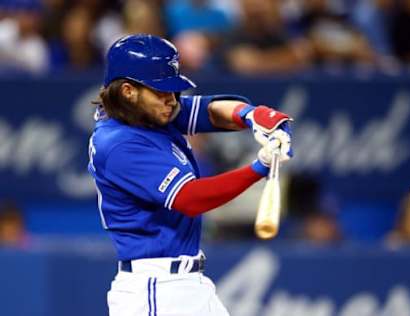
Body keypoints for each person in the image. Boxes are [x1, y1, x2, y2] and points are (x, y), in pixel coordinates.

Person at [87, 34, 292, 316]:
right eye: (160, 91)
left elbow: (210, 111)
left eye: (173, 91)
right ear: (127, 91)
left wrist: (253, 116)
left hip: (187, 284)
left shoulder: (146, 113)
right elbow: (190, 198)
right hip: (156, 290)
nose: (171, 100)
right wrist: (259, 167)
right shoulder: (119, 143)